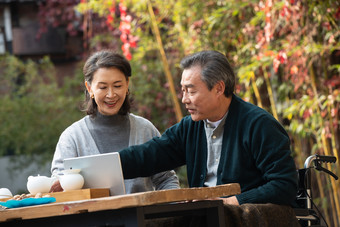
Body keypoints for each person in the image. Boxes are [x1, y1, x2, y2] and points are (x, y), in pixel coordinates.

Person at [118, 50, 298, 206]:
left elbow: (284, 184)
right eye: (183, 90)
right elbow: (148, 156)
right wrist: (105, 166)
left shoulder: (259, 125)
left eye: (191, 91)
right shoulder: (190, 127)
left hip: (244, 218)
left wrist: (231, 202)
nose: (184, 99)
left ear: (219, 88)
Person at [49, 50, 179, 193]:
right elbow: (59, 186)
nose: (111, 95)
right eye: (103, 87)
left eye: (117, 86)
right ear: (89, 88)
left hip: (142, 215)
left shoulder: (145, 129)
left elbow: (166, 179)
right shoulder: (73, 137)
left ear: (127, 84)